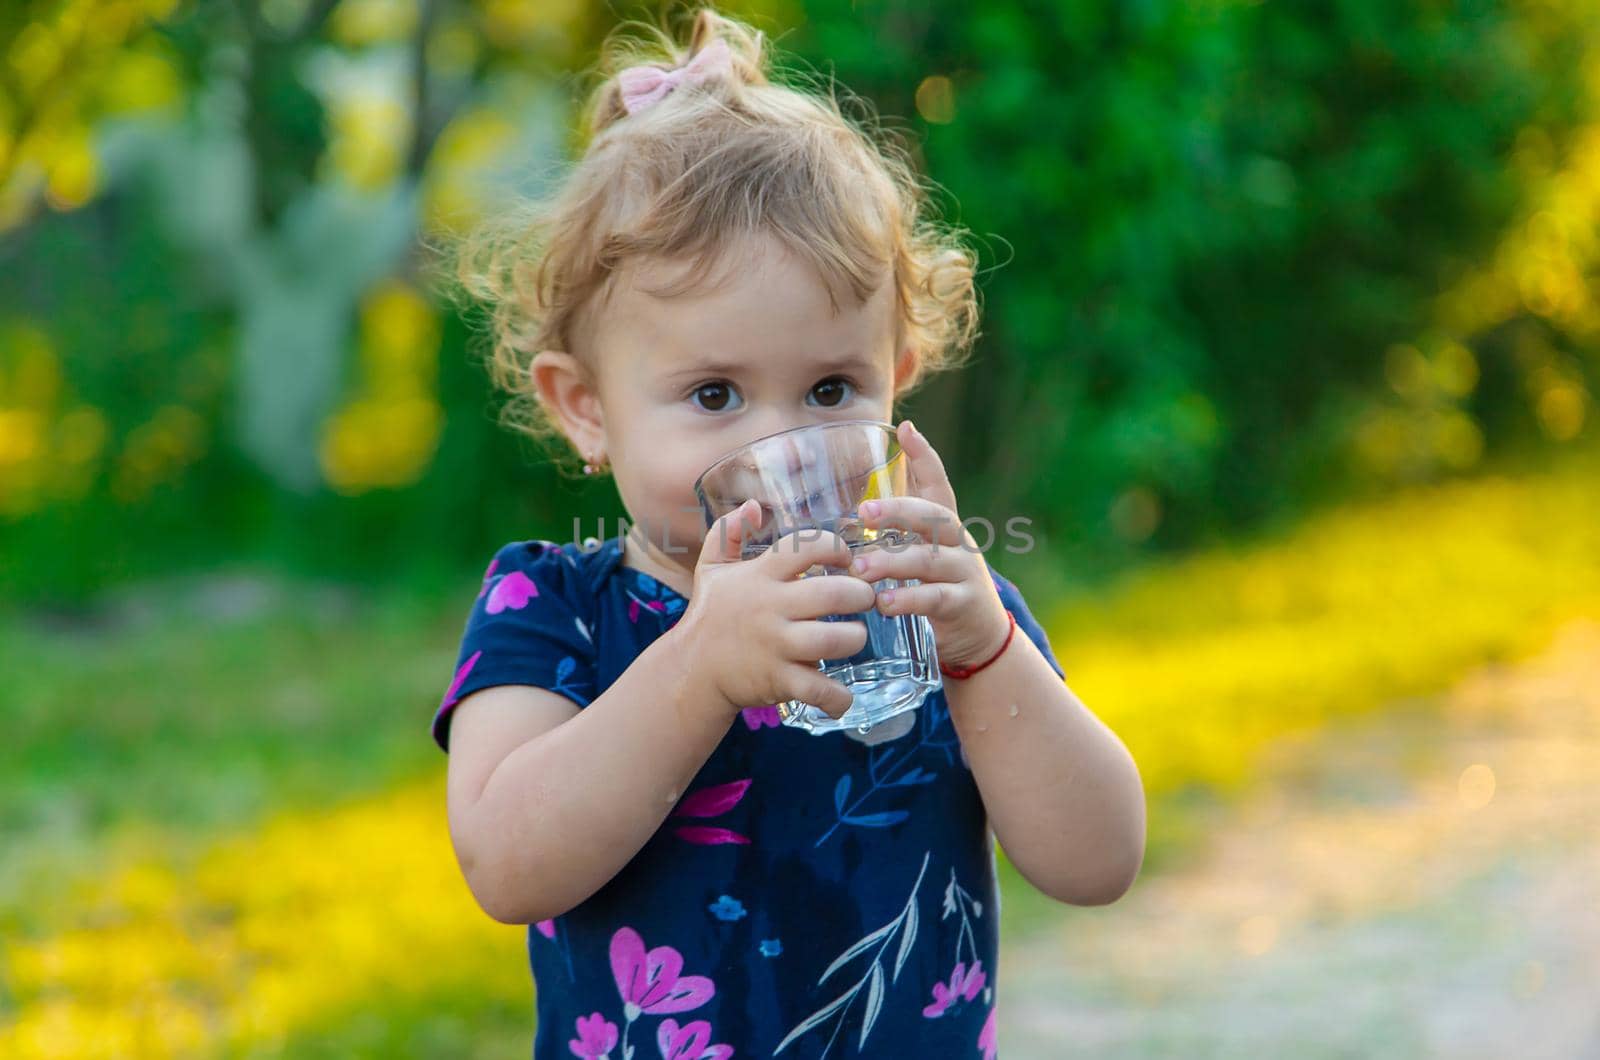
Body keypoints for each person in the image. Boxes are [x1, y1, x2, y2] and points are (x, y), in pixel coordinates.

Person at [433, 8, 1145, 1057]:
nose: (782, 446)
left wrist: (986, 651)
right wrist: (699, 668)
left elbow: (1099, 861)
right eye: (714, 392)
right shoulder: (554, 610)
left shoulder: (929, 607)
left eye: (828, 387)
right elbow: (505, 862)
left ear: (895, 374)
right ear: (586, 405)